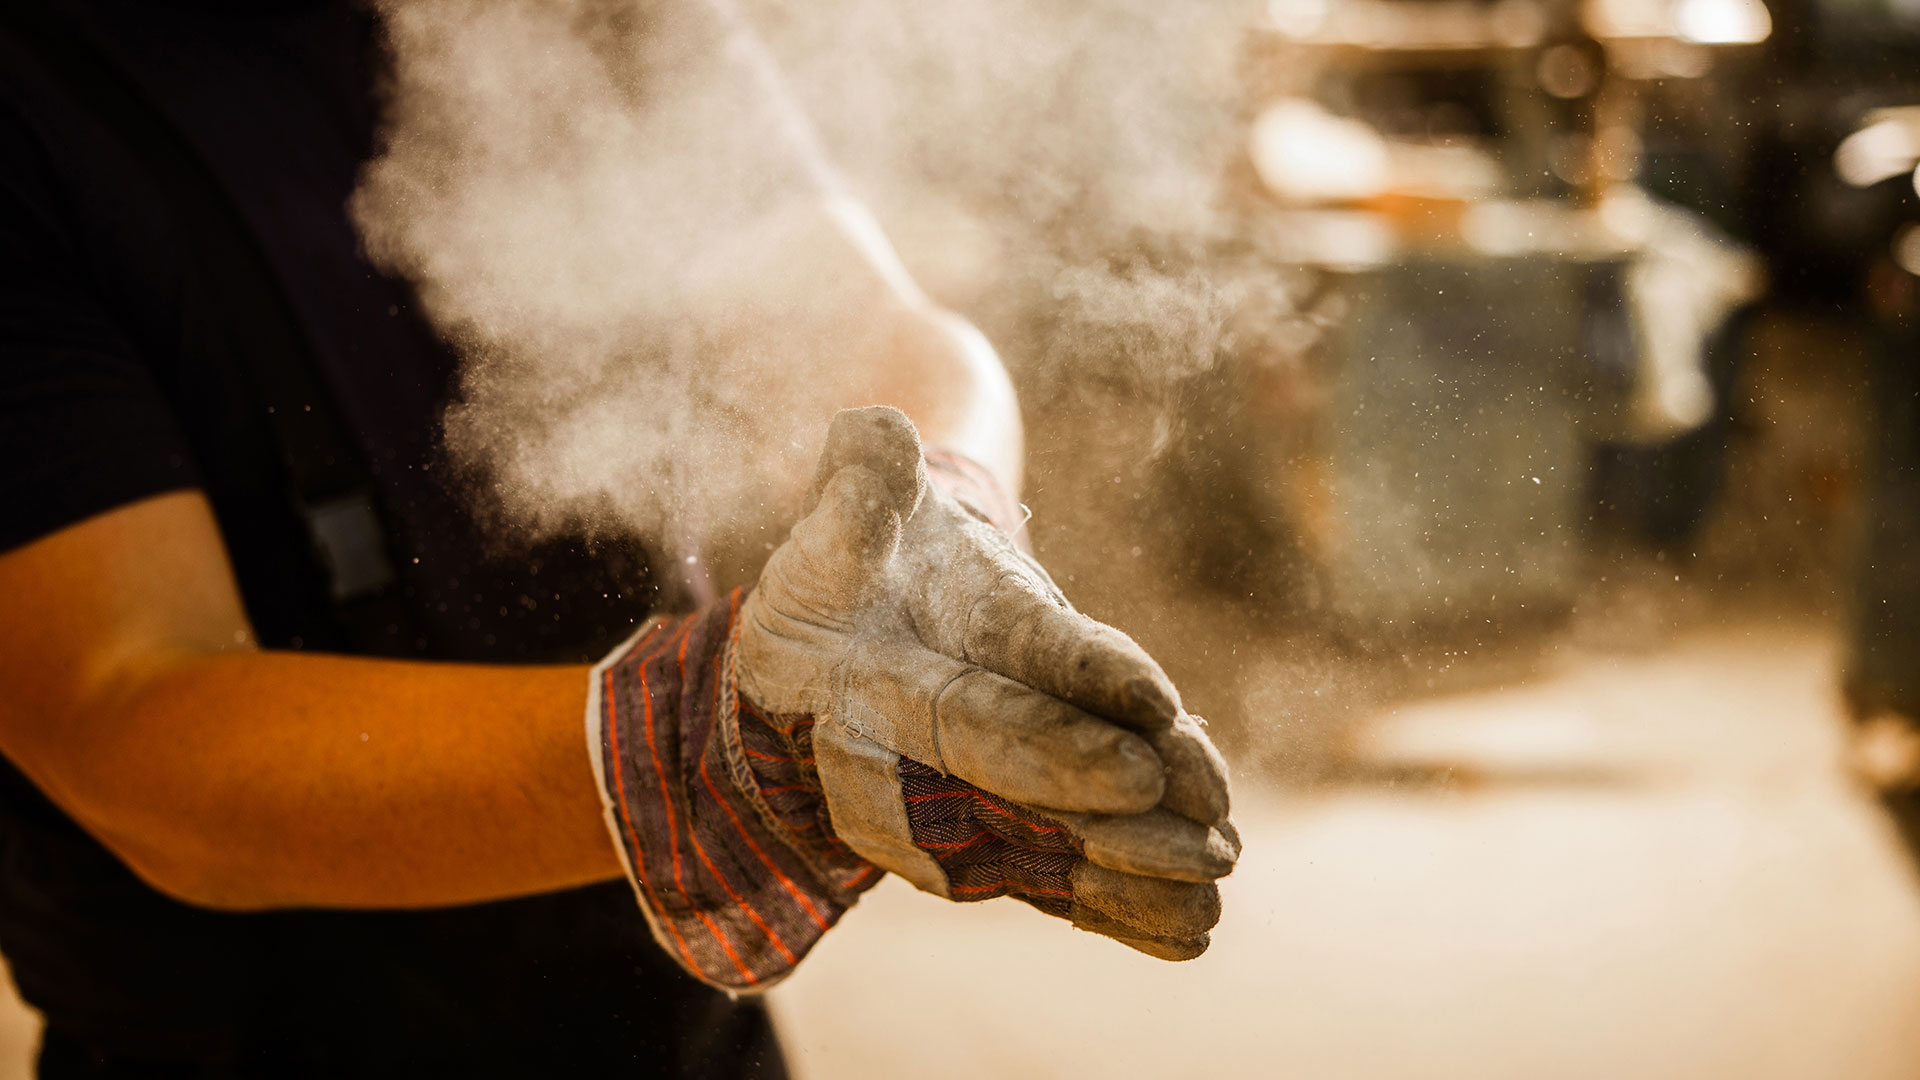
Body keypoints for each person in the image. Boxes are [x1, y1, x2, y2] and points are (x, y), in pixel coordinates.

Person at [0, 0, 1235, 1075]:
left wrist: (938, 525)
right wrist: (710, 744)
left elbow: (862, 332)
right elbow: (126, 713)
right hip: (246, 1043)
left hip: (667, 1021)